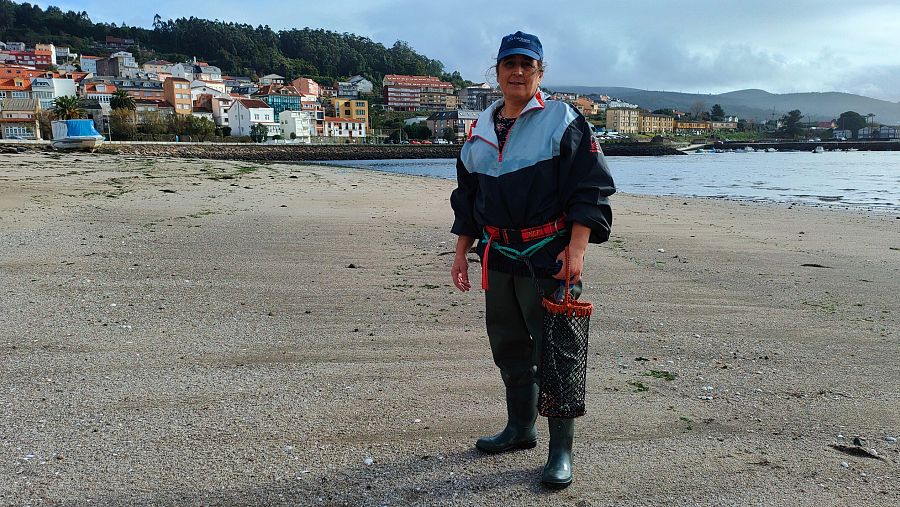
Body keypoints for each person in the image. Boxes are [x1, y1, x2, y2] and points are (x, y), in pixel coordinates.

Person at [449, 31, 615, 489]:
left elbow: (591, 187)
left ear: (540, 73)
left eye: (528, 65)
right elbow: (468, 199)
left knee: (558, 353)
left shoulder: (563, 119)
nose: (518, 72)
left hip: (549, 256)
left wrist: (577, 248)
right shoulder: (480, 129)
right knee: (509, 347)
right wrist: (463, 253)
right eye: (510, 65)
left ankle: (560, 450)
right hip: (498, 256)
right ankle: (521, 428)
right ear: (497, 73)